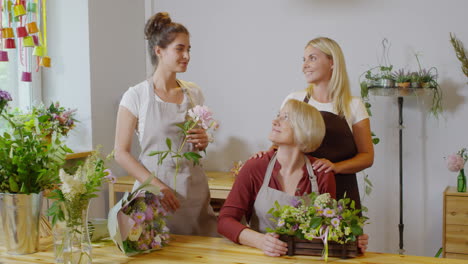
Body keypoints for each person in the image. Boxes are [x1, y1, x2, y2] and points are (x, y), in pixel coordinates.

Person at [254, 37, 373, 252]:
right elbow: (279, 144)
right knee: (300, 249)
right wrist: (266, 153)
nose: (305, 65)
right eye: (304, 59)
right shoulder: (295, 99)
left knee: (343, 251)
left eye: (312, 58)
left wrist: (336, 167)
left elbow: (367, 156)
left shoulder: (353, 105)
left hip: (342, 193)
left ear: (332, 62)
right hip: (302, 193)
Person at [114, 12, 217, 237]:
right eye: (180, 49)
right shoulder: (136, 96)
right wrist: (156, 185)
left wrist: (204, 139)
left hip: (193, 195)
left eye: (189, 49)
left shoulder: (194, 93)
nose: (187, 55)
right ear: (159, 50)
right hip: (154, 195)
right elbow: (120, 153)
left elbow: (196, 143)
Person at [218, 99, 336, 257]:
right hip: (260, 257)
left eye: (285, 117)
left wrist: (354, 239)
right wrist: (260, 241)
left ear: (305, 128)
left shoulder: (321, 173)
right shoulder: (255, 167)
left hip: (305, 258)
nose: (275, 121)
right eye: (278, 115)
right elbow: (225, 221)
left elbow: (329, 226)